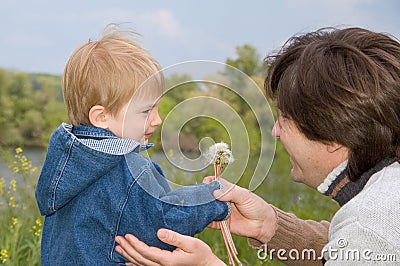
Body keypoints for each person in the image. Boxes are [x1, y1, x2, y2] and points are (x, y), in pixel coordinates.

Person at [114, 26, 400, 265]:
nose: (275, 131)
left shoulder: (370, 227)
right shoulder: (383, 200)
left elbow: (362, 243)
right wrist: (269, 226)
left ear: (334, 135)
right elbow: (345, 250)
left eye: (285, 118)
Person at [35, 25, 230, 265]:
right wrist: (214, 198)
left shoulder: (66, 168)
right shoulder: (130, 170)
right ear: (101, 117)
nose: (157, 120)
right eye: (147, 110)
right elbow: (164, 223)